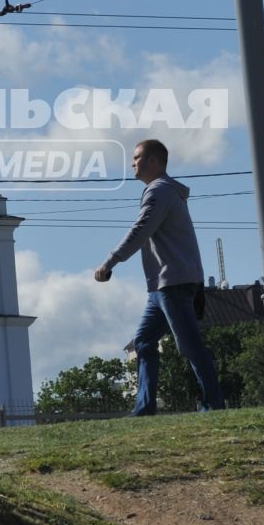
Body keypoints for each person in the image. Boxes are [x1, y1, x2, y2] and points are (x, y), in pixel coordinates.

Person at [94, 138, 225, 413]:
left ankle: (214, 404)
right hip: (163, 286)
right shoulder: (167, 191)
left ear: (153, 161)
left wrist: (110, 262)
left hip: (173, 283)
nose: (132, 163)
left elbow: (141, 230)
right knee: (143, 341)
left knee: (190, 346)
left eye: (137, 158)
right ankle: (144, 408)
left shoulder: (159, 192)